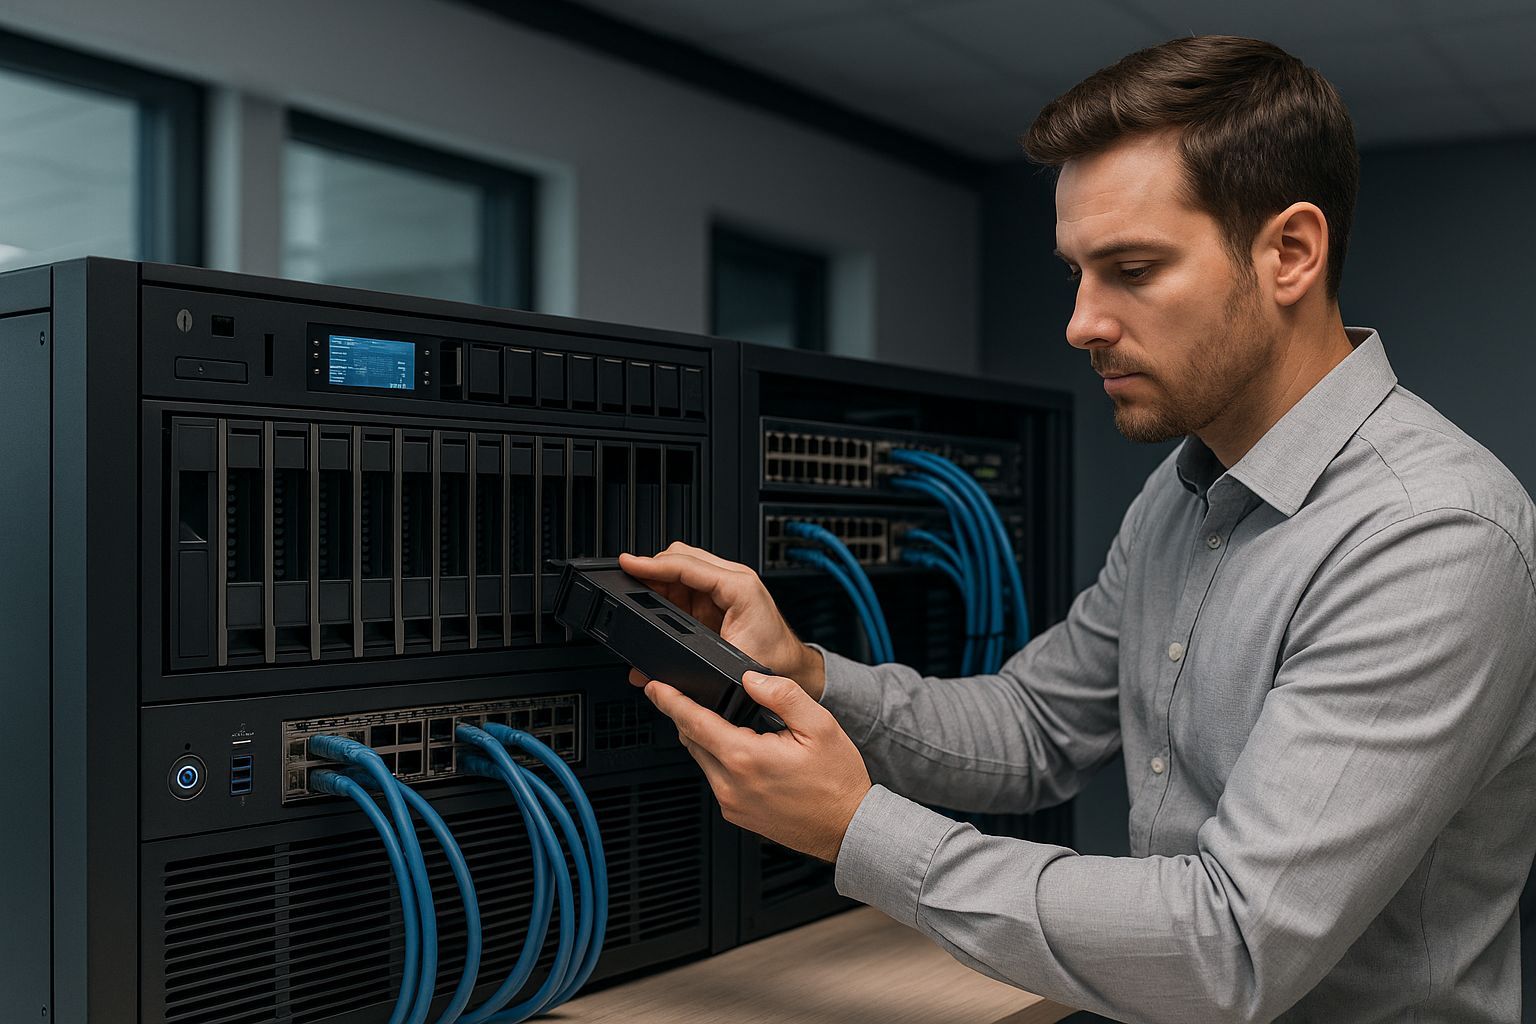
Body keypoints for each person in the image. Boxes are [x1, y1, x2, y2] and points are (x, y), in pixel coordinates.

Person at [620, 35, 1536, 1022]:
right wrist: (803, 673)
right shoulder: (1183, 492)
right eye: (1075, 274)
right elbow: (1034, 726)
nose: (1082, 322)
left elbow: (1227, 946)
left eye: (1131, 268)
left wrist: (858, 830)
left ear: (1291, 253)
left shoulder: (1430, 538)